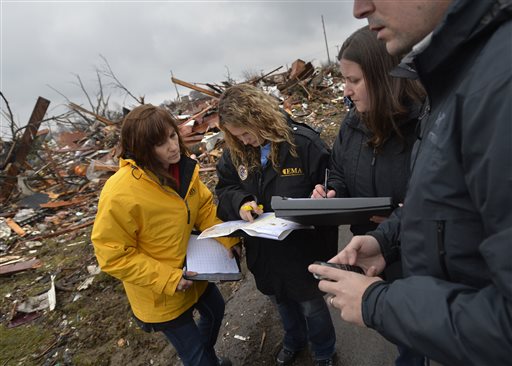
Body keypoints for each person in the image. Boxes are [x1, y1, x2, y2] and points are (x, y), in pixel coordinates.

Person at [309, 1, 512, 365]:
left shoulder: (497, 84)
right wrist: (383, 241)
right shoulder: (454, 85)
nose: (359, 9)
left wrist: (378, 303)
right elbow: (435, 201)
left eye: (354, 80)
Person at [311, 26, 427, 366]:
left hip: (416, 256)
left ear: (384, 77)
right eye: (343, 80)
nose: (346, 91)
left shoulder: (425, 122)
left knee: (419, 327)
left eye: (354, 80)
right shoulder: (351, 125)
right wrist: (331, 195)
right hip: (372, 252)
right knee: (396, 328)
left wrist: (402, 219)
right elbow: (341, 172)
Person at [91, 104, 238, 366]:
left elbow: (203, 207)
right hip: (160, 293)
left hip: (197, 272)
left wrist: (226, 238)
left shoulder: (183, 169)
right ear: (142, 149)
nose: (172, 147)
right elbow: (112, 255)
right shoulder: (120, 193)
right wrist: (168, 279)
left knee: (216, 312)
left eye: (172, 135)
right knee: (195, 356)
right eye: (161, 143)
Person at [215, 84, 338, 366]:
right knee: (279, 302)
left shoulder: (303, 144)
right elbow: (224, 189)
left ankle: (324, 351)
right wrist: (242, 201)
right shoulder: (236, 152)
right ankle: (294, 340)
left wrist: (321, 195)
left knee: (311, 306)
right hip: (264, 253)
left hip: (302, 251)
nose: (244, 141)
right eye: (237, 136)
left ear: (259, 118)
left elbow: (334, 187)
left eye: (247, 133)